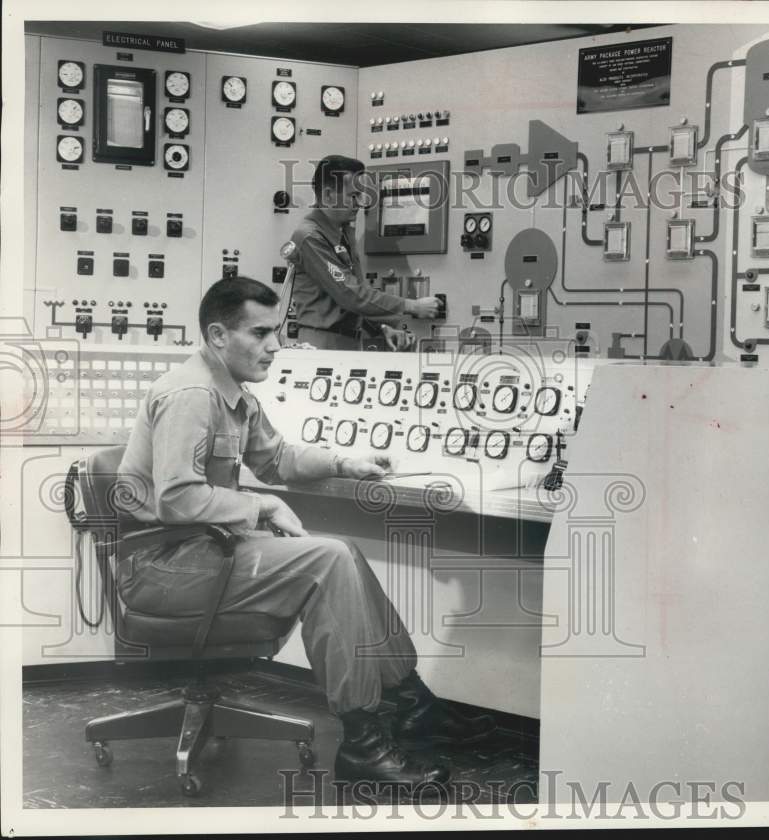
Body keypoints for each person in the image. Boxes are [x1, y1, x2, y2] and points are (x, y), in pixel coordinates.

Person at [116, 276, 495, 785]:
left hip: (200, 551)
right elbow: (175, 496)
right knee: (328, 559)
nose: (275, 346)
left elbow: (278, 459)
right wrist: (260, 505)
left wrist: (346, 462)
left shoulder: (235, 394)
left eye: (276, 331)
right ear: (217, 335)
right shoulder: (192, 394)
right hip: (160, 566)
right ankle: (362, 743)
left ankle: (412, 702)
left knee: (345, 555)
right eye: (259, 333)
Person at [283, 155, 441, 350]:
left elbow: (344, 301)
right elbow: (351, 295)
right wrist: (412, 306)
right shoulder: (310, 237)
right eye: (353, 195)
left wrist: (380, 327)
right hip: (321, 344)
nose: (360, 202)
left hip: (347, 341)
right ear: (328, 195)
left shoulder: (343, 232)